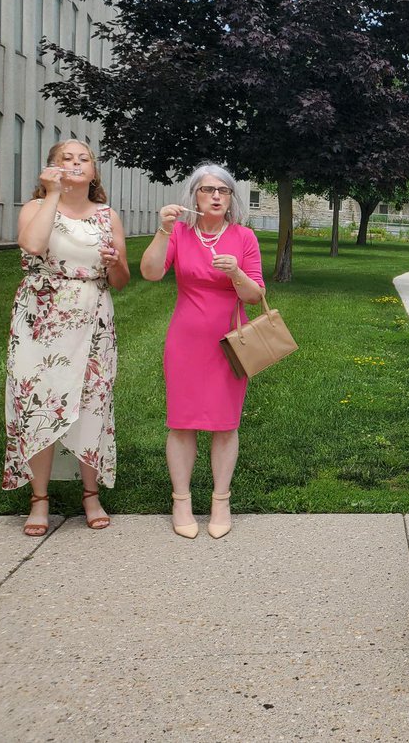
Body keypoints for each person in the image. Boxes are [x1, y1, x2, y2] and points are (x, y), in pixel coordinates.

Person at [4, 140, 130, 535]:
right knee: (38, 401)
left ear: (94, 172)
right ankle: (38, 500)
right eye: (66, 159)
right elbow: (32, 245)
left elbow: (122, 281)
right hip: (41, 319)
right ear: (51, 169)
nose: (76, 163)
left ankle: (90, 494)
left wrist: (115, 263)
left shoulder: (108, 216)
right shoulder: (36, 208)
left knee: (92, 402)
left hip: (93, 318)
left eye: (84, 159)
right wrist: (53, 194)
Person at [140, 165, 264, 540]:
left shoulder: (244, 237)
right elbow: (150, 272)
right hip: (186, 342)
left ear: (231, 199)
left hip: (230, 344)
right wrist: (163, 229)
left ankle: (221, 500)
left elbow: (255, 296)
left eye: (223, 191)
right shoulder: (178, 232)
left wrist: (237, 274)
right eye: (207, 189)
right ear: (194, 195)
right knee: (181, 422)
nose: (215, 196)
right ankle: (181, 500)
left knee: (225, 424)